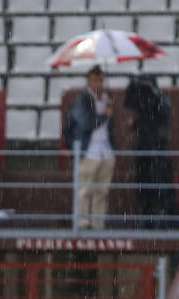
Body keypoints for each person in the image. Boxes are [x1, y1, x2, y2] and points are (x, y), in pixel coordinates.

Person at [65, 65, 115, 231]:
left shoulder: (107, 98)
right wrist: (104, 116)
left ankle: (98, 223)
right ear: (88, 81)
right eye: (94, 80)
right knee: (85, 189)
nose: (98, 83)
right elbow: (87, 123)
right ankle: (82, 222)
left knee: (101, 190)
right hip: (89, 150)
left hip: (105, 149)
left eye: (100, 80)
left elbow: (111, 126)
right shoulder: (83, 99)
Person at [123, 74, 173, 227]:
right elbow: (128, 102)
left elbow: (160, 116)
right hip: (143, 152)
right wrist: (132, 84)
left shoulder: (163, 101)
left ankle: (166, 220)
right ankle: (147, 219)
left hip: (158, 151)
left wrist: (153, 93)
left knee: (161, 187)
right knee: (143, 188)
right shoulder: (141, 101)